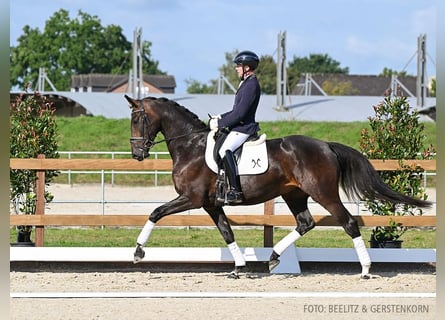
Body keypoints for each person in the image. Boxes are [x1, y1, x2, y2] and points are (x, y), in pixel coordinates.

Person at [209, 50, 261, 204]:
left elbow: (240, 114)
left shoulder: (251, 84)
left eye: (239, 66)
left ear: (247, 67)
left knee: (225, 150)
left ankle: (235, 191)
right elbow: (235, 111)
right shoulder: (246, 83)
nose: (236, 68)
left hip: (244, 128)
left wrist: (219, 124)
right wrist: (220, 117)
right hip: (239, 127)